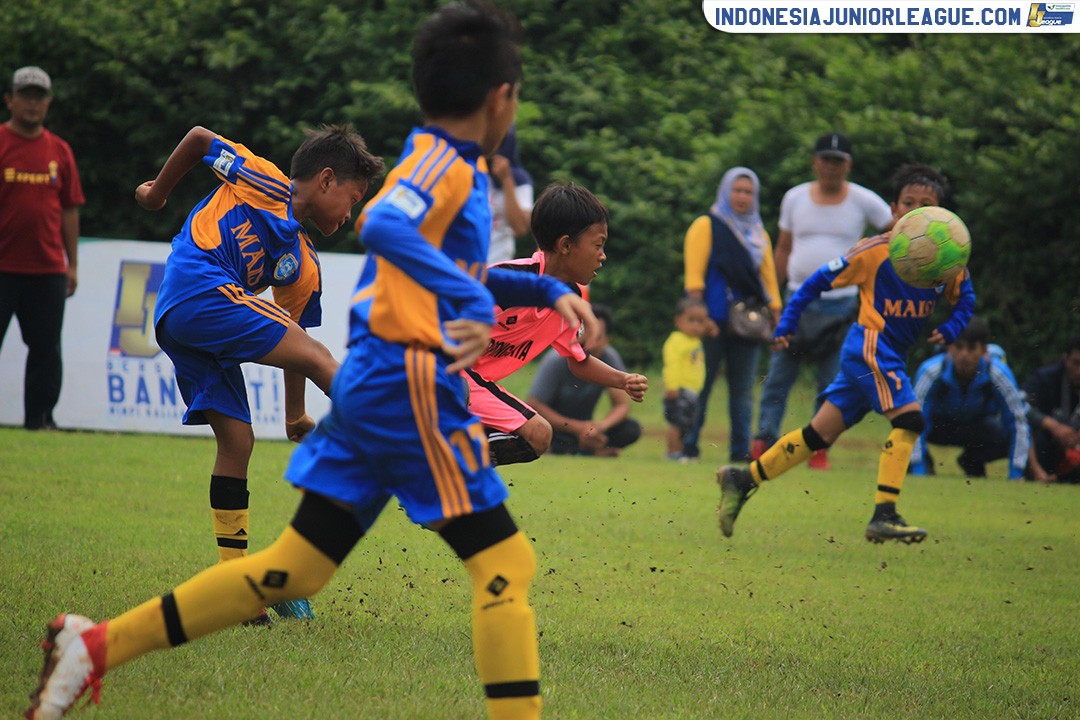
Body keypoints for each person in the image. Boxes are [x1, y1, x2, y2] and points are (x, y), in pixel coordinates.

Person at [25, 3, 599, 719]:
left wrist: (543, 288)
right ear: (501, 97)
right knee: (506, 562)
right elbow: (386, 224)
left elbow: (443, 262)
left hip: (384, 390)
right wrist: (466, 299)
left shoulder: (442, 165)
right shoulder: (446, 166)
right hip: (403, 390)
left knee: (293, 569)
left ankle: (93, 646)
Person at [129, 124, 383, 623]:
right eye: (352, 199)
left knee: (238, 443)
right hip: (199, 288)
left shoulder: (303, 265)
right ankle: (395, 430)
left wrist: (295, 416)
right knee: (321, 356)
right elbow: (200, 139)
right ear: (326, 180)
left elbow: (293, 342)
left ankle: (234, 589)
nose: (350, 215)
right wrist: (158, 194)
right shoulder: (262, 179)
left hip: (181, 325)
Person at [717, 163, 975, 544]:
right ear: (893, 210)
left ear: (939, 215)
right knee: (910, 420)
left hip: (888, 354)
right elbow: (814, 283)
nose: (915, 212)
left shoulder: (945, 259)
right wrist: (787, 323)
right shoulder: (873, 251)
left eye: (926, 205)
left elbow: (966, 299)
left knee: (818, 434)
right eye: (908, 203)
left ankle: (742, 478)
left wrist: (952, 329)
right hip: (870, 346)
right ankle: (884, 515)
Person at [468, 184, 647, 465]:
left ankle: (447, 464)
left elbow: (578, 360)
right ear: (565, 245)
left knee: (532, 438)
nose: (603, 255)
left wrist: (622, 380)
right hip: (447, 372)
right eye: (598, 245)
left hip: (474, 384)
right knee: (537, 433)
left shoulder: (569, 300)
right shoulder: (508, 280)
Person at [752, 133, 893, 470]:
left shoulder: (864, 200)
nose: (831, 167)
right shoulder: (794, 198)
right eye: (826, 159)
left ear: (849, 165)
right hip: (796, 302)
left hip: (841, 305)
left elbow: (898, 235)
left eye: (838, 161)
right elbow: (784, 247)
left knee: (830, 381)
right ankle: (762, 442)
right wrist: (772, 298)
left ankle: (818, 449)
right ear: (815, 163)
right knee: (778, 377)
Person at [0, 66, 84, 430]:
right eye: (26, 96)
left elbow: (70, 208)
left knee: (47, 349)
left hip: (48, 267)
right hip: (3, 265)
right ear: (10, 100)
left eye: (39, 97)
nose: (32, 104)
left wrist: (72, 264)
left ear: (48, 103)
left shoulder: (59, 150)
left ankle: (40, 419)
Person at [681, 167, 781, 462]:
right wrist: (699, 317)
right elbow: (694, 277)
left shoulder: (759, 234)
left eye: (748, 192)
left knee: (743, 390)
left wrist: (778, 318)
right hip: (709, 321)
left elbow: (768, 281)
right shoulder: (706, 225)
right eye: (737, 190)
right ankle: (688, 447)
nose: (742, 196)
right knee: (700, 384)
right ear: (725, 191)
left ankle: (740, 452)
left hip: (748, 323)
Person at [909, 317, 1030, 479]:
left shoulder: (999, 373)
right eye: (959, 346)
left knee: (1006, 434)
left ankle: (973, 460)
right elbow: (915, 421)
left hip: (978, 429)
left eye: (972, 348)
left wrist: (1016, 474)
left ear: (984, 350)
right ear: (949, 347)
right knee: (908, 425)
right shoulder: (930, 372)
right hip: (939, 427)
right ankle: (924, 463)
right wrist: (918, 470)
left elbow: (1018, 421)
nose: (964, 355)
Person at [526, 303, 645, 458]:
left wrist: (599, 428)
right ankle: (588, 450)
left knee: (631, 429)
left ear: (607, 340)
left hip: (588, 430)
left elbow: (622, 405)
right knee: (537, 430)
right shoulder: (557, 358)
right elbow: (535, 404)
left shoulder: (610, 357)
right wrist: (579, 428)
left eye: (597, 337)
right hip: (558, 428)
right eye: (587, 334)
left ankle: (584, 447)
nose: (591, 343)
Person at [1022, 335, 1080, 483]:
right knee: (1033, 434)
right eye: (1076, 363)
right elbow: (1021, 407)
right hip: (1046, 448)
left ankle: (1060, 479)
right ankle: (1037, 473)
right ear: (1065, 359)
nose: (1079, 371)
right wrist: (1053, 426)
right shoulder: (1045, 378)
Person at [660, 297, 708, 461]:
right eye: (691, 320)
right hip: (679, 390)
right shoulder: (676, 341)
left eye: (700, 321)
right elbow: (671, 365)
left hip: (692, 391)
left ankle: (680, 451)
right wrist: (672, 387)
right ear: (678, 321)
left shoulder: (695, 341)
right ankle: (673, 452)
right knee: (676, 422)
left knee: (687, 423)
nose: (696, 326)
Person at [487, 124, 533, 264]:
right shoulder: (471, 171)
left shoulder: (519, 179)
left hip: (498, 259)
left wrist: (506, 180)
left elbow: (520, 228)